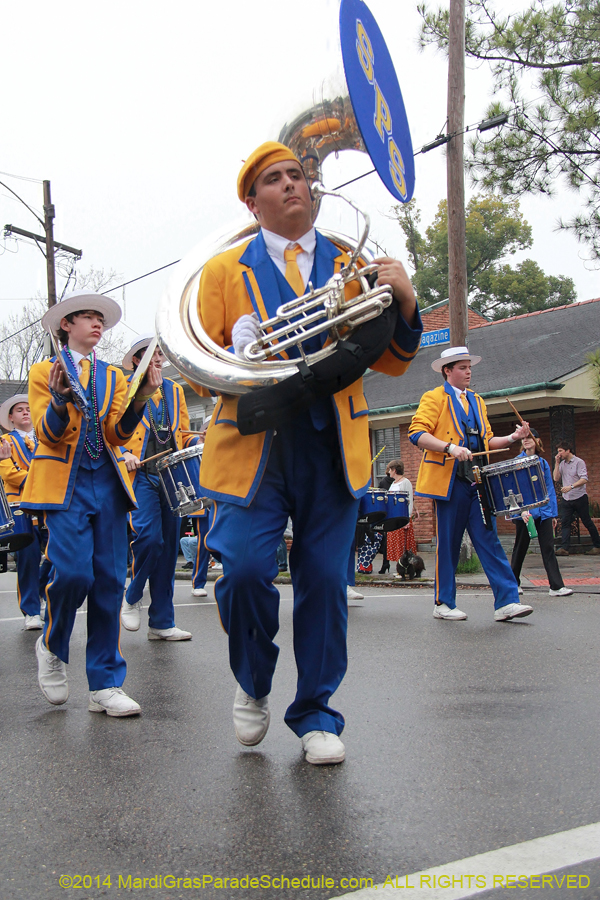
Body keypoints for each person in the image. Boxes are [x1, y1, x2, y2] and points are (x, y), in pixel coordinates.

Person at [195, 141, 422, 764]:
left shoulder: (353, 261)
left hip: (332, 444)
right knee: (244, 571)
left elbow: (393, 361)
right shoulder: (222, 272)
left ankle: (317, 711)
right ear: (253, 202)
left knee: (324, 581)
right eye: (275, 179)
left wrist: (405, 299)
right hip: (254, 445)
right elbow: (198, 370)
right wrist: (235, 356)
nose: (292, 184)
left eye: (297, 174)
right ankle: (253, 679)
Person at [21, 292, 158, 716]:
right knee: (73, 574)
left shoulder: (114, 376)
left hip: (109, 482)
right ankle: (52, 646)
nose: (97, 324)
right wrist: (60, 399)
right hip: (65, 483)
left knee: (110, 581)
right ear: (66, 325)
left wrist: (140, 398)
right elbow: (47, 434)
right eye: (87, 317)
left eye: (100, 319)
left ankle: (105, 682)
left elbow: (117, 434)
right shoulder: (44, 370)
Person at [408, 346, 533, 622]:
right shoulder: (433, 398)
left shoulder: (477, 400)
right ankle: (443, 603)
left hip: (478, 481)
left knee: (489, 539)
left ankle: (507, 602)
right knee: (449, 544)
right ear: (447, 371)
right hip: (449, 482)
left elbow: (488, 441)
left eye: (469, 367)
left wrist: (513, 438)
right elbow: (416, 434)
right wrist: (450, 447)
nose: (468, 372)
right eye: (462, 368)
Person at [120, 335, 199, 638]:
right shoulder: (124, 387)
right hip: (140, 475)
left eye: (160, 355)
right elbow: (109, 430)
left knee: (168, 551)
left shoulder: (175, 390)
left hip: (171, 476)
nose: (158, 359)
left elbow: (183, 433)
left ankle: (162, 623)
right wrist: (123, 453)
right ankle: (132, 595)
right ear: (137, 360)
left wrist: (198, 441)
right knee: (150, 540)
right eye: (151, 354)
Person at [0, 395, 47, 629]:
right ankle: (31, 611)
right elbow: (9, 474)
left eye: (28, 409)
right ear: (11, 417)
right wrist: (43, 482)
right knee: (27, 558)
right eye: (19, 410)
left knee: (58, 554)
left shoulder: (46, 438)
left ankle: (41, 591)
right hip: (20, 506)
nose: (25, 412)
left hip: (49, 505)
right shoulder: (4, 441)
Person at [510, 430, 572, 596]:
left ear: (537, 440)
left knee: (548, 548)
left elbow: (549, 489)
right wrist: (521, 511)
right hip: (525, 514)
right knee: (520, 548)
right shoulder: (516, 462)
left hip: (544, 512)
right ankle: (513, 584)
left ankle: (556, 586)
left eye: (529, 437)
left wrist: (552, 514)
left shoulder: (542, 463)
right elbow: (513, 488)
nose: (526, 440)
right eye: (523, 438)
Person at [553, 442, 600, 556]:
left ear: (568, 450)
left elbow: (584, 479)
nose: (559, 454)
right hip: (567, 498)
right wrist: (557, 463)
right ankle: (564, 548)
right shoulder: (562, 464)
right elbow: (556, 478)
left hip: (579, 497)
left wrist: (571, 486)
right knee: (565, 522)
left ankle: (597, 545)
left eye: (560, 451)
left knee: (587, 521)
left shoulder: (579, 462)